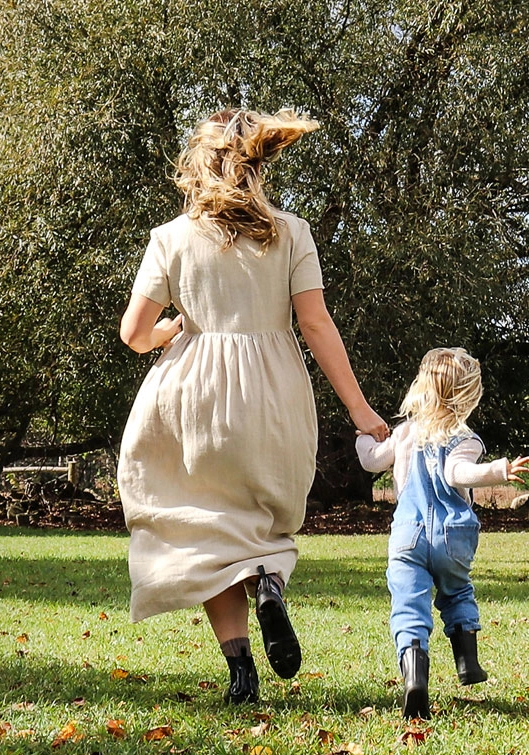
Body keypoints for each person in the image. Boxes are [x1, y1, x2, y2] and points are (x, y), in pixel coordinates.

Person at [118, 108, 389, 705]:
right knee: (262, 520)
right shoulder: (290, 231)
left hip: (191, 399)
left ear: (197, 164)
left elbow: (134, 333)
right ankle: (268, 582)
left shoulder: (171, 238)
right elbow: (315, 324)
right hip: (273, 394)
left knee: (206, 527)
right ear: (260, 162)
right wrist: (362, 412)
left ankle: (241, 670)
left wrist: (172, 331)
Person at [355, 347, 529, 719]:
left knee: (409, 605)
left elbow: (370, 460)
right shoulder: (464, 437)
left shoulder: (404, 433)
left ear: (422, 388)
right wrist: (497, 470)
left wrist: (362, 437)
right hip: (452, 536)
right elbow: (456, 474)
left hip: (407, 535)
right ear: (467, 395)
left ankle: (415, 676)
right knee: (457, 591)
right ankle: (468, 664)